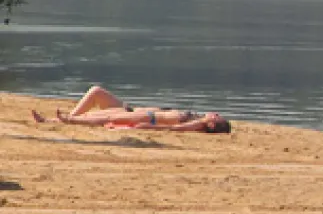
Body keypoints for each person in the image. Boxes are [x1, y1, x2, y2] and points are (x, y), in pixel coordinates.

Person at [31, 85, 232, 134]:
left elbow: (174, 130)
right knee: (96, 91)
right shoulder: (198, 120)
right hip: (136, 110)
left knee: (106, 117)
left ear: (212, 123)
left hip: (148, 117)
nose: (215, 113)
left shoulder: (197, 123)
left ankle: (68, 121)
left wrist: (146, 127)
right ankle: (61, 120)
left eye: (217, 117)